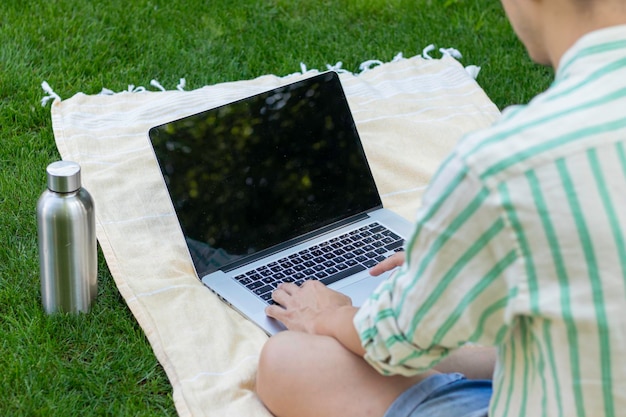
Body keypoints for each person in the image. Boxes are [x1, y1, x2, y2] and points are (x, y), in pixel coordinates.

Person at [256, 0, 626, 415]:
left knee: (285, 359)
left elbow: (392, 340)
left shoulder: (510, 163)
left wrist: (329, 316)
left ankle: (437, 309)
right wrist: (455, 260)